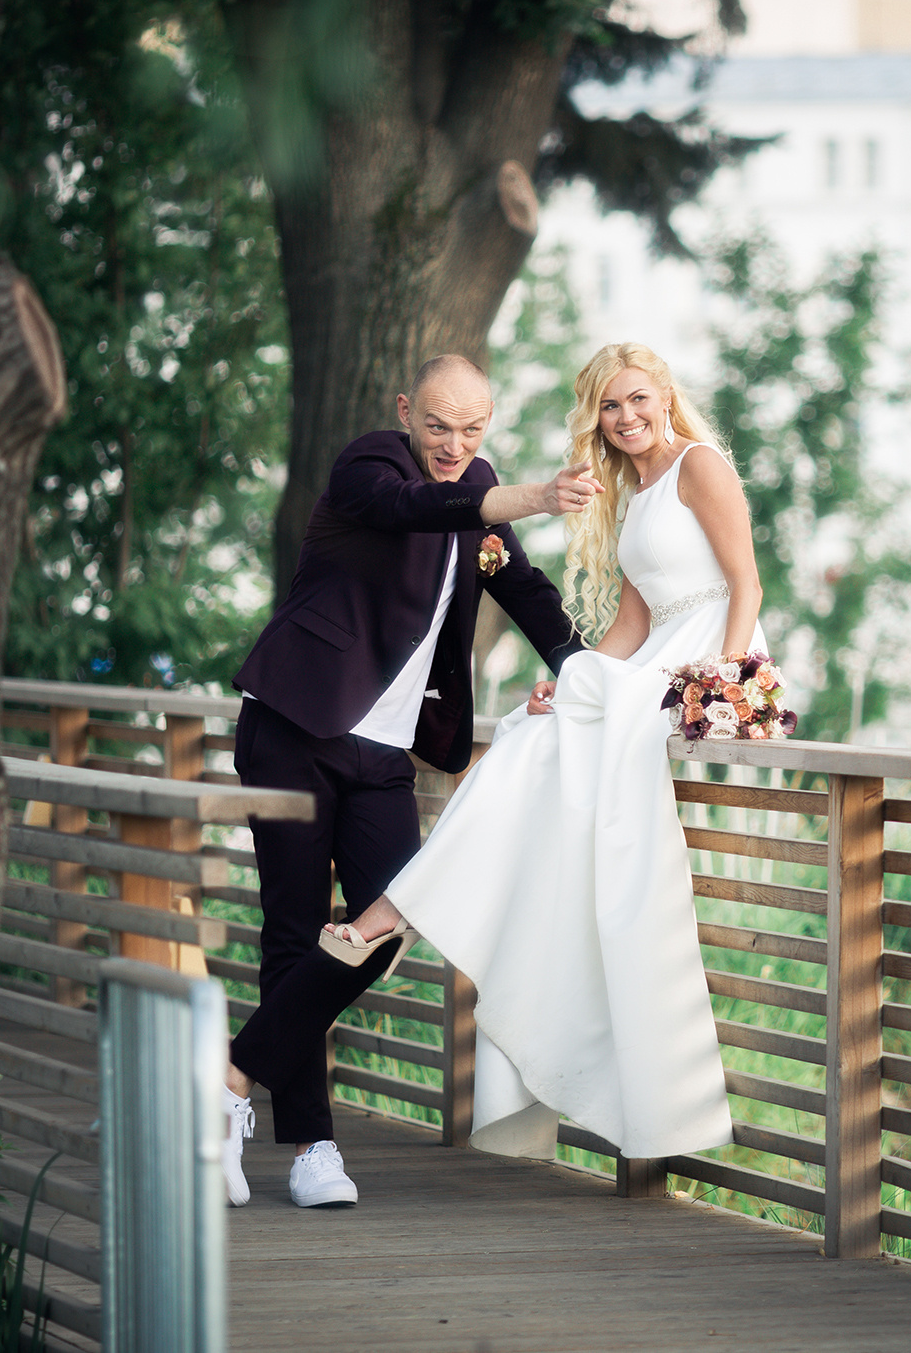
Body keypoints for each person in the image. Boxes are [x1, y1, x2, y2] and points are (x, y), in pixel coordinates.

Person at [327, 342, 763, 1161]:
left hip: (711, 659)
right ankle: (402, 911)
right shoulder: (636, 495)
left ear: (665, 394)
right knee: (533, 728)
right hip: (654, 663)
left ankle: (391, 913)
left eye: (637, 399)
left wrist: (724, 684)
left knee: (545, 737)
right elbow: (630, 628)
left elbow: (746, 581)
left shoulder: (700, 465)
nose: (626, 417)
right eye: (609, 406)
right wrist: (575, 681)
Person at [221, 354, 602, 1208]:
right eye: (437, 425)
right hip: (296, 725)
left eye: (472, 429)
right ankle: (313, 1147)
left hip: (384, 755)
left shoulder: (481, 486)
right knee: (294, 930)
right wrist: (534, 495)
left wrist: (585, 673)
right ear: (406, 411)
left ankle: (233, 1071)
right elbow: (418, 509)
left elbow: (523, 584)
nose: (454, 445)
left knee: (394, 918)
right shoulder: (370, 466)